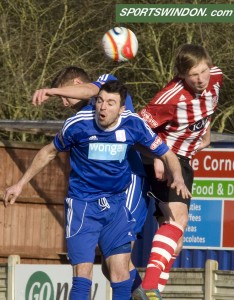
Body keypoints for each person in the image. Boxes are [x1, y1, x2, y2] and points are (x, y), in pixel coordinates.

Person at [4, 80, 191, 300]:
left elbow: (167, 154)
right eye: (100, 101)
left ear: (121, 109)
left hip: (116, 205)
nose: (103, 107)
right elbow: (49, 152)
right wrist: (20, 183)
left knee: (120, 273)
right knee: (83, 274)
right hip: (83, 206)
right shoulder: (78, 125)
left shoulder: (133, 124)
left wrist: (177, 176)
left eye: (111, 103)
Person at [33, 66, 151, 295]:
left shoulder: (108, 86)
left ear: (77, 84)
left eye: (65, 96)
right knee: (112, 268)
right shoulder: (86, 118)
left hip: (130, 183)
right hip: (101, 195)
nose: (64, 103)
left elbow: (90, 90)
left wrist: (52, 91)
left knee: (119, 266)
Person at [133, 44, 223, 300]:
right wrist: (157, 155)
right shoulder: (168, 98)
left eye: (203, 71)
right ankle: (149, 286)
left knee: (177, 239)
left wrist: (204, 135)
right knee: (178, 220)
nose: (201, 79)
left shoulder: (216, 76)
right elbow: (136, 131)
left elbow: (210, 107)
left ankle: (152, 293)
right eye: (193, 74)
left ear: (210, 66)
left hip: (185, 158)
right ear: (181, 74)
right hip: (166, 158)